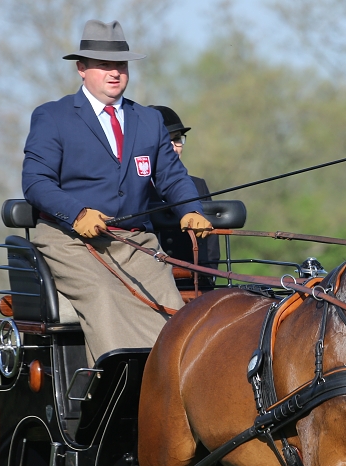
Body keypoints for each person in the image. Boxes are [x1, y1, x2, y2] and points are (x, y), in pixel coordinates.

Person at [21, 19, 213, 366]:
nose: (115, 73)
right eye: (104, 65)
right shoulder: (53, 116)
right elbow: (36, 182)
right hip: (71, 242)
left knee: (170, 311)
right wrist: (77, 213)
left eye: (120, 66)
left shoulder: (149, 120)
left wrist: (191, 209)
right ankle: (114, 395)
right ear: (81, 68)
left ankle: (167, 387)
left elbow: (172, 177)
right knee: (104, 294)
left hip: (136, 242)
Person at [149, 105, 220, 284]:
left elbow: (211, 245)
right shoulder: (135, 189)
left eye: (177, 140)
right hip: (150, 280)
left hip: (193, 279)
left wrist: (207, 279)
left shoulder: (198, 185)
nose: (174, 148)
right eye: (167, 141)